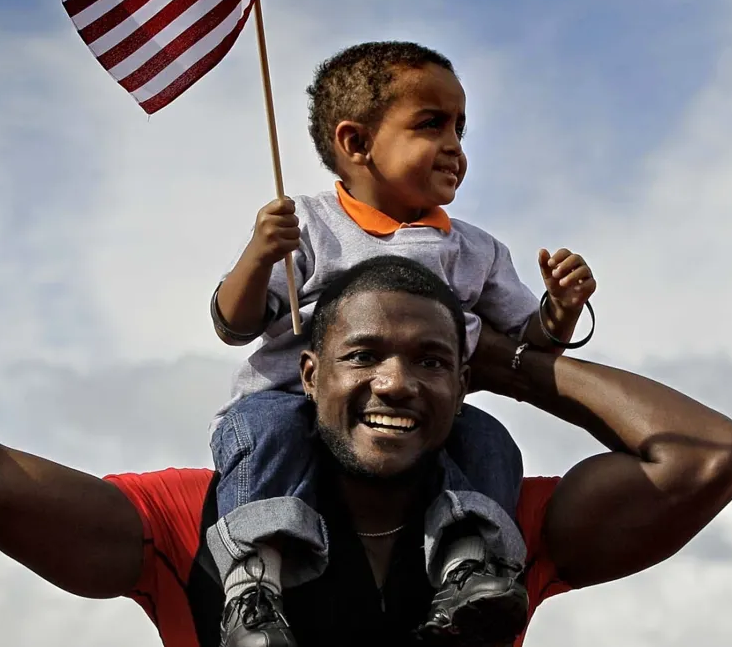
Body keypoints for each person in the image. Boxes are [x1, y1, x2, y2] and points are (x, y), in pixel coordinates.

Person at [0, 171, 732, 647]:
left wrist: (508, 362)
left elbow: (708, 454)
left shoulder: (502, 526)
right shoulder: (196, 523)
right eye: (366, 354)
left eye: (430, 362)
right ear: (308, 374)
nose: (398, 382)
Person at [209, 42, 595, 645]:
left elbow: (528, 344)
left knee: (485, 436)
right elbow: (236, 325)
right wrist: (259, 256)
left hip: (415, 414)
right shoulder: (309, 224)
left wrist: (560, 310)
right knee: (263, 438)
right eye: (430, 124)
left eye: (460, 129)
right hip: (287, 400)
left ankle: (469, 565)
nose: (455, 147)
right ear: (356, 144)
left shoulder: (476, 250)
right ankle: (254, 588)